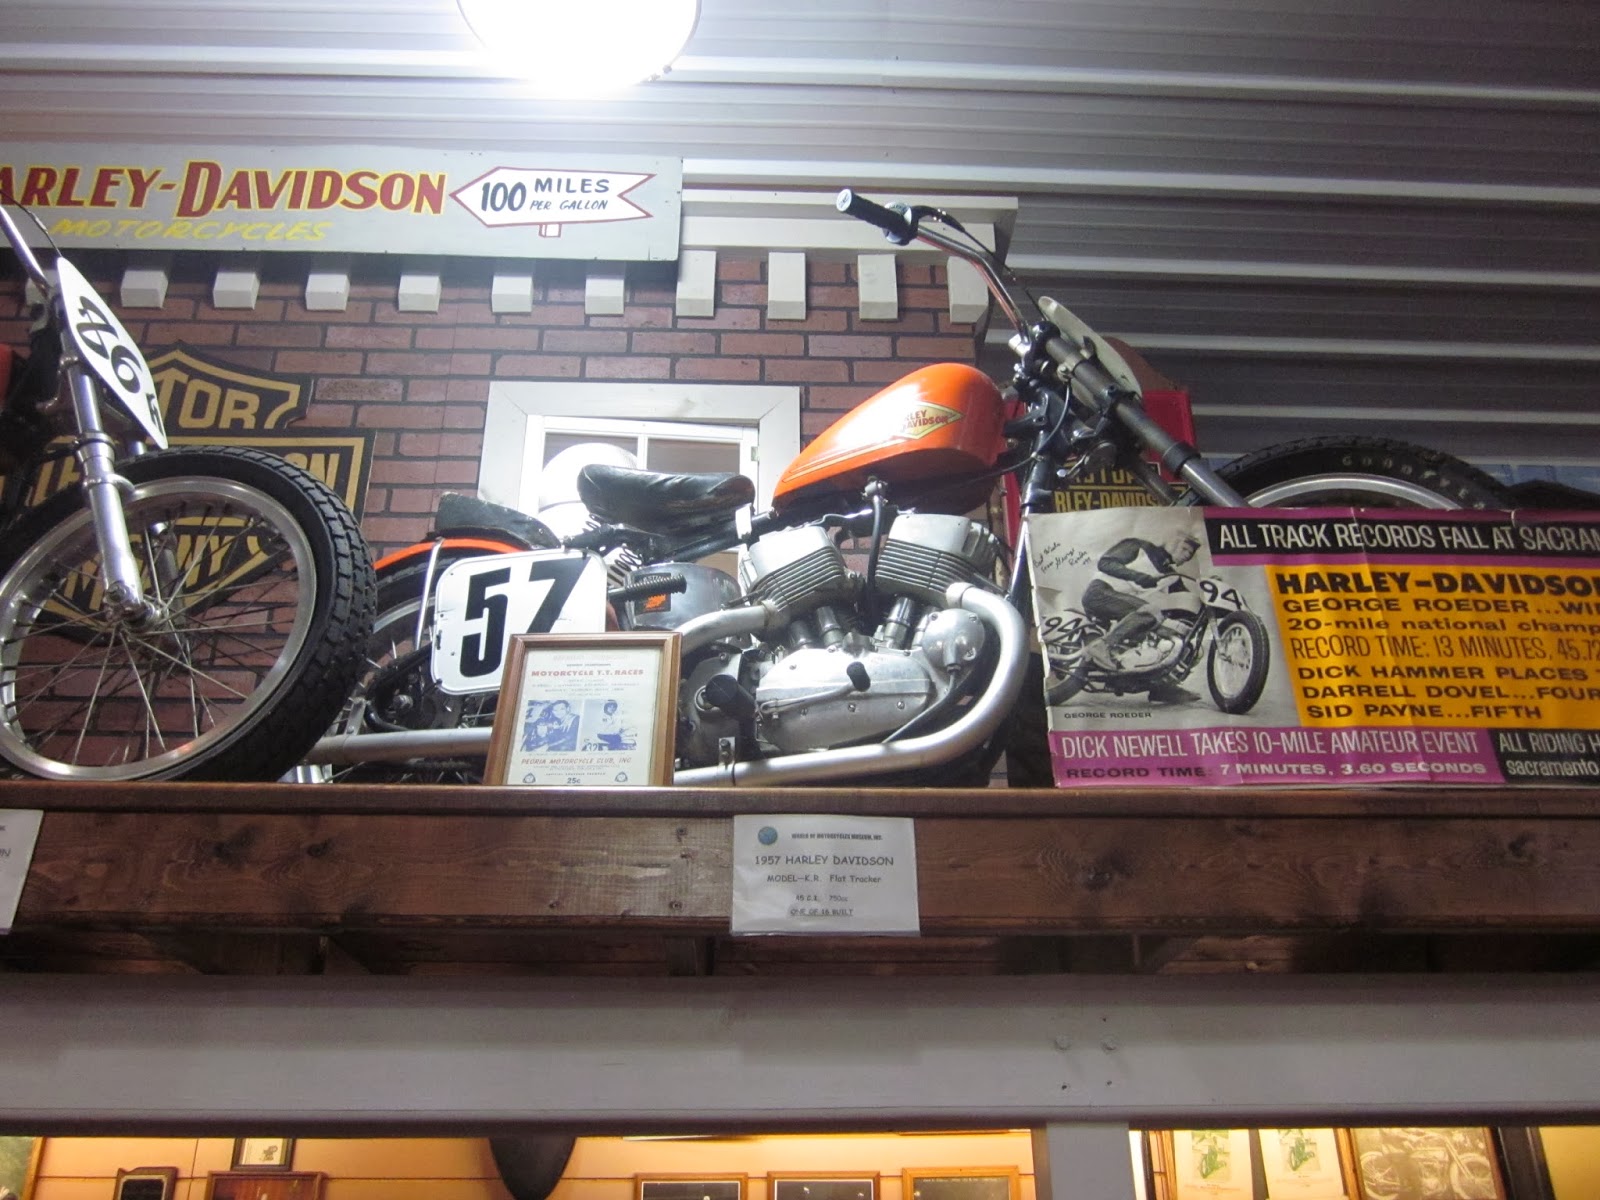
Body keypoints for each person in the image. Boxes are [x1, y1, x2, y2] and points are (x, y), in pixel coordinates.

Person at [1077, 529, 1202, 703]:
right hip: (1100, 593)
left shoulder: (1170, 575)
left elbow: (1184, 600)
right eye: (1185, 548)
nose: (1187, 555)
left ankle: (1162, 686)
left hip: (1129, 612)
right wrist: (1138, 577)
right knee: (1150, 612)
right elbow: (1105, 563)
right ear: (1172, 541)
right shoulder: (1139, 546)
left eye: (1190, 553)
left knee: (1174, 637)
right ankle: (1102, 646)